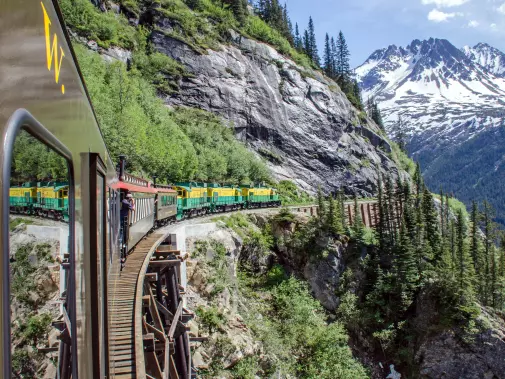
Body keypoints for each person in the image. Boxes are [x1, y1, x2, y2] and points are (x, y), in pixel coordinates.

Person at [120, 192, 135, 268]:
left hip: (123, 220)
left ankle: (122, 247)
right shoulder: (125, 202)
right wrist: (133, 202)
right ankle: (121, 246)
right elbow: (133, 209)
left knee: (122, 233)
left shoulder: (124, 201)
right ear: (129, 198)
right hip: (122, 220)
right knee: (121, 234)